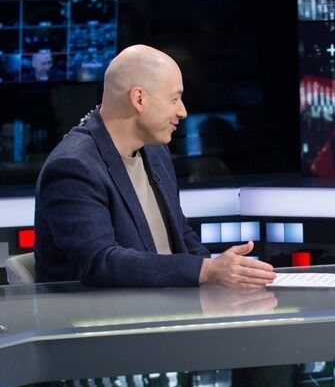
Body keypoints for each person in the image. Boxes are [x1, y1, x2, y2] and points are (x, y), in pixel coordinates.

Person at [35, 44, 277, 287]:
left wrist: (219, 278)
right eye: (174, 99)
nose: (182, 111)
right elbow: (100, 262)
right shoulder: (73, 167)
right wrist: (205, 271)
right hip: (106, 309)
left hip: (169, 301)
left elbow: (180, 232)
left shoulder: (155, 151)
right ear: (139, 99)